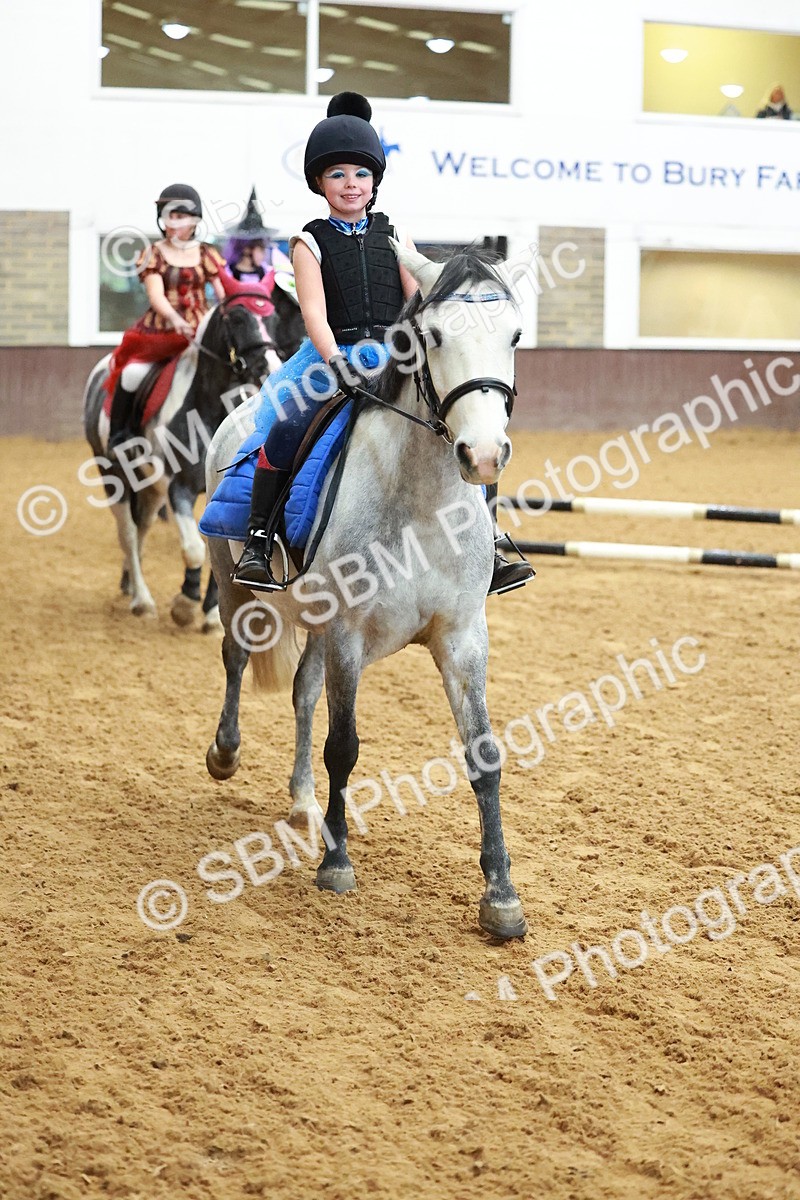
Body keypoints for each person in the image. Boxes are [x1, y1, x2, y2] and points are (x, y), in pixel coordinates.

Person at [232, 92, 534, 596]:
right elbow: (314, 314)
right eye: (337, 175)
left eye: (361, 174)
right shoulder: (308, 242)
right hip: (333, 356)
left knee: (468, 423)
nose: (351, 184)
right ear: (319, 183)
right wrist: (336, 363)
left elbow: (416, 299)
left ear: (374, 181)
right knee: (287, 426)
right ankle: (259, 542)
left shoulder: (396, 234)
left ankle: (491, 538)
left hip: (397, 354)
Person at [106, 183, 226, 453]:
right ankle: (120, 434)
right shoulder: (153, 254)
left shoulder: (207, 253)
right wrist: (175, 319)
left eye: (180, 216)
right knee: (132, 374)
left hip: (200, 332)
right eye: (169, 216)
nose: (173, 223)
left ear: (194, 221)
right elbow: (156, 296)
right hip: (162, 333)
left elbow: (222, 293)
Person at [223, 186, 291, 283]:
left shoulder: (265, 272)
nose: (264, 254)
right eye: (261, 249)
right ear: (246, 249)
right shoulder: (229, 272)